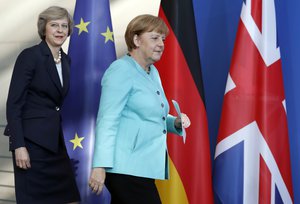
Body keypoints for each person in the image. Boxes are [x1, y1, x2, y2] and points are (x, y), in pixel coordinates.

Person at [88, 14, 191, 204]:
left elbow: (151, 116)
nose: (161, 43)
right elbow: (107, 120)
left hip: (143, 167)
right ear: (136, 40)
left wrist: (174, 122)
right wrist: (99, 165)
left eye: (163, 39)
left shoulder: (152, 72)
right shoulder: (121, 70)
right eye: (154, 37)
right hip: (124, 168)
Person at [4, 6, 80, 204]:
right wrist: (18, 145)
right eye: (54, 25)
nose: (60, 30)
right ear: (44, 28)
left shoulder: (66, 61)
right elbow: (14, 104)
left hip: (55, 143)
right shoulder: (30, 56)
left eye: (64, 26)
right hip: (31, 144)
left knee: (70, 198)